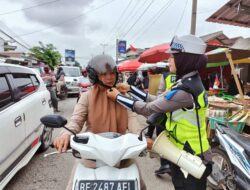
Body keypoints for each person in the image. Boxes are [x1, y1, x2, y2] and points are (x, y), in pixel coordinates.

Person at [107, 35, 212, 190]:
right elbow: (156, 100)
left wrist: (117, 97)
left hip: (192, 157)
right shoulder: (185, 82)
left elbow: (149, 109)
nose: (168, 60)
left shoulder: (186, 91)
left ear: (184, 59)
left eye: (172, 57)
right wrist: (131, 89)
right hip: (182, 152)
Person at [53, 54, 146, 190]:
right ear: (94, 75)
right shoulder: (87, 96)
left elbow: (132, 119)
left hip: (121, 154)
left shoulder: (123, 95)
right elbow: (76, 121)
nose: (109, 77)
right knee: (72, 186)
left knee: (140, 185)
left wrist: (142, 136)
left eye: (112, 73)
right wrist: (65, 134)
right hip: (92, 154)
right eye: (103, 74)